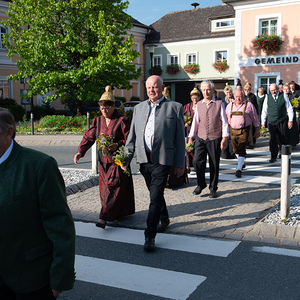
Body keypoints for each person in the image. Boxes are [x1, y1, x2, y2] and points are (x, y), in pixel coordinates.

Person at [0, 108, 75, 299]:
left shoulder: (39, 165)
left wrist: (60, 276)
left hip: (30, 278)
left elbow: (60, 225)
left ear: (9, 132)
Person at [123, 75, 185, 252]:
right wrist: (126, 159)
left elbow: (180, 139)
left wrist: (180, 164)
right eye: (149, 87)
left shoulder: (175, 107)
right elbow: (132, 138)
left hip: (163, 159)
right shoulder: (138, 108)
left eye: (155, 87)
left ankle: (150, 235)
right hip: (144, 160)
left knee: (154, 196)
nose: (152, 90)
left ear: (162, 87)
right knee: (155, 193)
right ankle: (164, 218)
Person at [74, 86, 135, 229]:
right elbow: (88, 137)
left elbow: (130, 140)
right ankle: (114, 212)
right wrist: (80, 151)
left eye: (107, 107)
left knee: (113, 186)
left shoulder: (123, 120)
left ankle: (103, 217)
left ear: (114, 106)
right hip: (103, 161)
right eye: (101, 107)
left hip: (117, 160)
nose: (104, 110)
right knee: (104, 188)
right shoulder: (97, 121)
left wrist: (117, 145)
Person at [188, 80, 229, 199]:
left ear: (212, 90)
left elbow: (224, 122)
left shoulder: (219, 103)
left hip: (215, 137)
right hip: (201, 137)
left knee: (214, 164)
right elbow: (195, 122)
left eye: (208, 89)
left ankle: (213, 188)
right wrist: (191, 136)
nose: (206, 92)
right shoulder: (199, 104)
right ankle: (201, 184)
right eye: (204, 90)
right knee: (196, 161)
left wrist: (225, 138)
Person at [226, 90, 260, 177]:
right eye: (236, 96)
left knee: (241, 148)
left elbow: (255, 118)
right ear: (234, 96)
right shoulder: (230, 106)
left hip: (244, 130)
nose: (238, 98)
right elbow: (225, 118)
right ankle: (241, 162)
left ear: (243, 96)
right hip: (232, 130)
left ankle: (239, 169)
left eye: (240, 96)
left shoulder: (249, 105)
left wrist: (257, 130)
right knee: (235, 150)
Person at [261, 83, 294, 162]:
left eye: (275, 90)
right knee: (272, 139)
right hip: (271, 121)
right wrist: (263, 123)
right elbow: (264, 111)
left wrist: (290, 120)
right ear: (269, 90)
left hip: (281, 120)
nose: (274, 92)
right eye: (272, 90)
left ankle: (282, 154)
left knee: (282, 138)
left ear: (278, 89)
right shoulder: (267, 97)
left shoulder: (284, 96)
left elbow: (289, 108)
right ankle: (273, 156)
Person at [183, 87, 201, 172]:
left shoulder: (201, 106)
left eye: (196, 97)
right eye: (193, 98)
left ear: (199, 97)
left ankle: (197, 165)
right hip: (189, 130)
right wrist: (185, 121)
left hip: (199, 131)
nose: (195, 99)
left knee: (198, 149)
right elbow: (182, 117)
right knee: (188, 148)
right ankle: (188, 166)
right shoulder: (187, 106)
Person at [244, 82, 258, 148]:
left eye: (248, 89)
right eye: (245, 89)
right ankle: (245, 142)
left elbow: (255, 106)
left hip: (251, 114)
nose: (247, 91)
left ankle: (251, 142)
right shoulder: (243, 96)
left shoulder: (253, 96)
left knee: (251, 129)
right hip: (245, 114)